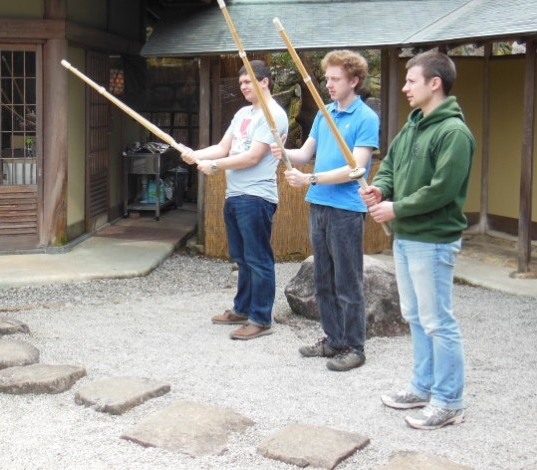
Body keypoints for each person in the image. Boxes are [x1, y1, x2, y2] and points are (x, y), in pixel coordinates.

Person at [359, 50, 474, 430]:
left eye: (411, 80)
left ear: (434, 83)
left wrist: (395, 208)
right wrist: (379, 189)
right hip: (407, 237)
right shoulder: (413, 126)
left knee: (438, 320)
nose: (405, 87)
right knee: (417, 317)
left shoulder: (454, 132)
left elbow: (442, 190)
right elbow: (389, 164)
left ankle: (449, 401)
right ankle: (422, 386)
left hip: (433, 238)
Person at [271, 50, 379, 372]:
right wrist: (282, 151)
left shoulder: (366, 118)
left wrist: (310, 178)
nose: (328, 85)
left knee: (348, 280)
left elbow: (355, 168)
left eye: (335, 79)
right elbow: (305, 153)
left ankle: (354, 347)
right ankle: (332, 339)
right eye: (327, 79)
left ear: (354, 81)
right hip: (319, 204)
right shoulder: (324, 113)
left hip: (346, 207)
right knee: (323, 278)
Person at [179, 60, 288, 340]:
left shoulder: (273, 115)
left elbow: (253, 156)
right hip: (236, 194)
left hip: (256, 195)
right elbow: (223, 147)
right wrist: (196, 153)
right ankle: (242, 308)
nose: (243, 87)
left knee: (258, 258)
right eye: (241, 83)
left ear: (264, 82)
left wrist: (217, 167)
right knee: (241, 257)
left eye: (248, 82)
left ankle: (261, 318)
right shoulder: (242, 114)